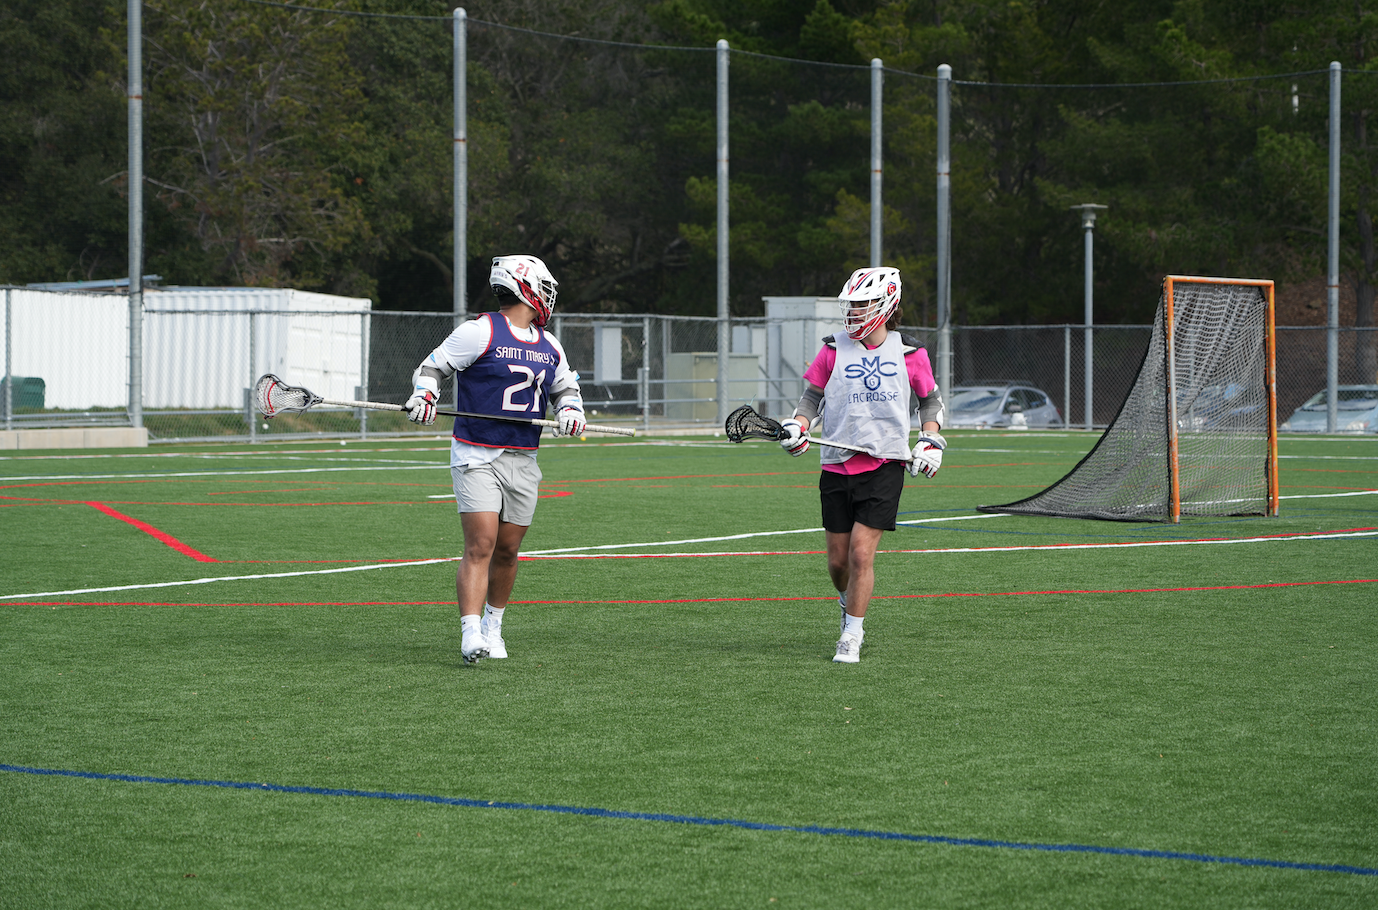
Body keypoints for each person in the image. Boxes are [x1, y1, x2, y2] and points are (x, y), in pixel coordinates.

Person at [404, 255, 585, 665]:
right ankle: (470, 632)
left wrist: (572, 411)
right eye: (544, 287)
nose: (548, 297)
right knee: (481, 543)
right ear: (526, 287)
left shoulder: (549, 343)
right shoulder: (480, 331)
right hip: (477, 453)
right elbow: (432, 368)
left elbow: (564, 390)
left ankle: (494, 627)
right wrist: (425, 394)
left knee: (507, 549)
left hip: (524, 457)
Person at [778, 266, 946, 664]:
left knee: (859, 553)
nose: (853, 312)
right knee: (838, 562)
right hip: (836, 464)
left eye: (861, 304)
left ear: (887, 304)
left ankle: (852, 633)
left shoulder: (910, 353)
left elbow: (931, 402)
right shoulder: (833, 349)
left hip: (885, 464)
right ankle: (847, 602)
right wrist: (797, 426)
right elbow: (811, 399)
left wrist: (930, 438)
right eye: (850, 305)